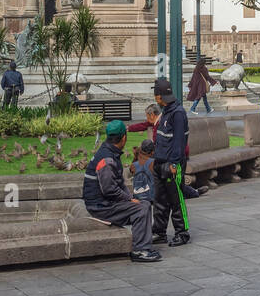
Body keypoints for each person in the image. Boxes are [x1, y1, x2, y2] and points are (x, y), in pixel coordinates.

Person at [82, 119, 162, 263]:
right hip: (101, 207)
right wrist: (129, 199)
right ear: (124, 137)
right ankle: (140, 250)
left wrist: (130, 197)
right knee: (142, 207)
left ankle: (143, 241)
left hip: (103, 202)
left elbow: (116, 184)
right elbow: (109, 189)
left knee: (142, 201)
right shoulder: (107, 159)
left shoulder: (108, 151)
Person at [130, 103, 204, 197]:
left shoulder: (163, 123)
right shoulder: (159, 120)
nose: (147, 118)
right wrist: (129, 128)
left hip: (174, 155)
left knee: (170, 179)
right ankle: (192, 192)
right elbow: (144, 125)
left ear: (152, 115)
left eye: (147, 116)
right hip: (170, 152)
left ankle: (192, 192)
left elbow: (165, 144)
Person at [151, 78, 192, 245]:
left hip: (172, 164)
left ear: (159, 97)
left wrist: (174, 164)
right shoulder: (166, 110)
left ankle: (182, 233)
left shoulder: (178, 113)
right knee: (160, 200)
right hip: (160, 163)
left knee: (176, 199)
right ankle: (159, 232)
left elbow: (179, 143)